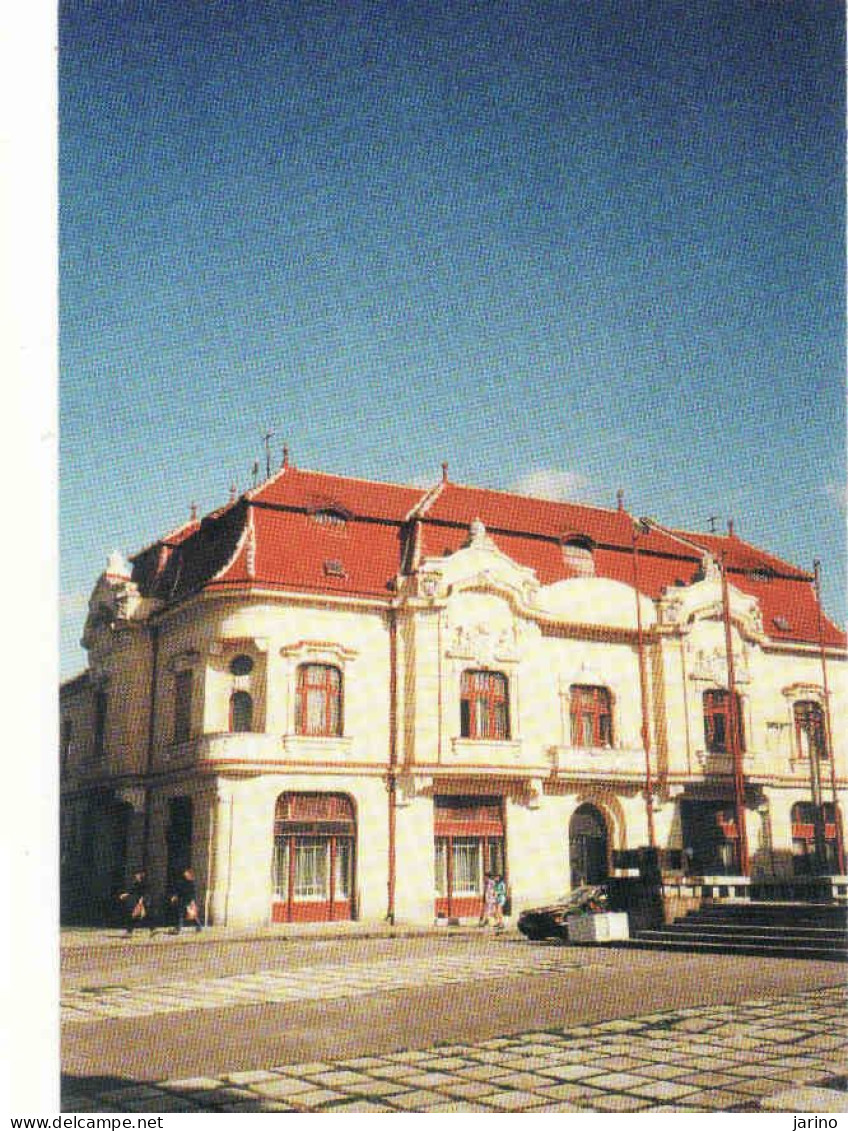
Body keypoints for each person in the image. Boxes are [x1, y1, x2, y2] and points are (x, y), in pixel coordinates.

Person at [118, 870, 155, 937]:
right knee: (143, 916)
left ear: (140, 875)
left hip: (145, 901)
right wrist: (125, 894)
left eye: (137, 875)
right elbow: (132, 891)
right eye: (135, 875)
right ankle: (152, 929)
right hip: (140, 902)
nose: (135, 876)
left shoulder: (145, 883)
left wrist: (141, 902)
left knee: (136, 916)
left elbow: (146, 893)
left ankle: (130, 931)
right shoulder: (136, 883)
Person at [170, 867, 202, 934]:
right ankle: (179, 928)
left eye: (186, 873)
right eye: (185, 873)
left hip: (188, 900)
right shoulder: (184, 881)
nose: (185, 874)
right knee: (182, 914)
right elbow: (180, 891)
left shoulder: (191, 883)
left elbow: (193, 893)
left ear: (189, 874)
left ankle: (198, 926)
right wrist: (175, 896)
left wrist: (192, 902)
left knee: (190, 914)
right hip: (183, 900)